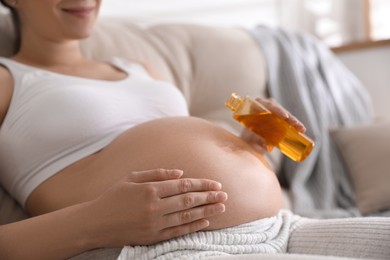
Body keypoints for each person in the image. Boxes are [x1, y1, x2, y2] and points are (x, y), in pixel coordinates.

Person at [0, 0, 306, 259]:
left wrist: (248, 147)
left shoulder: (139, 69)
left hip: (279, 225)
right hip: (171, 246)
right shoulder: (8, 81)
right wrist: (95, 221)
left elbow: (177, 151)